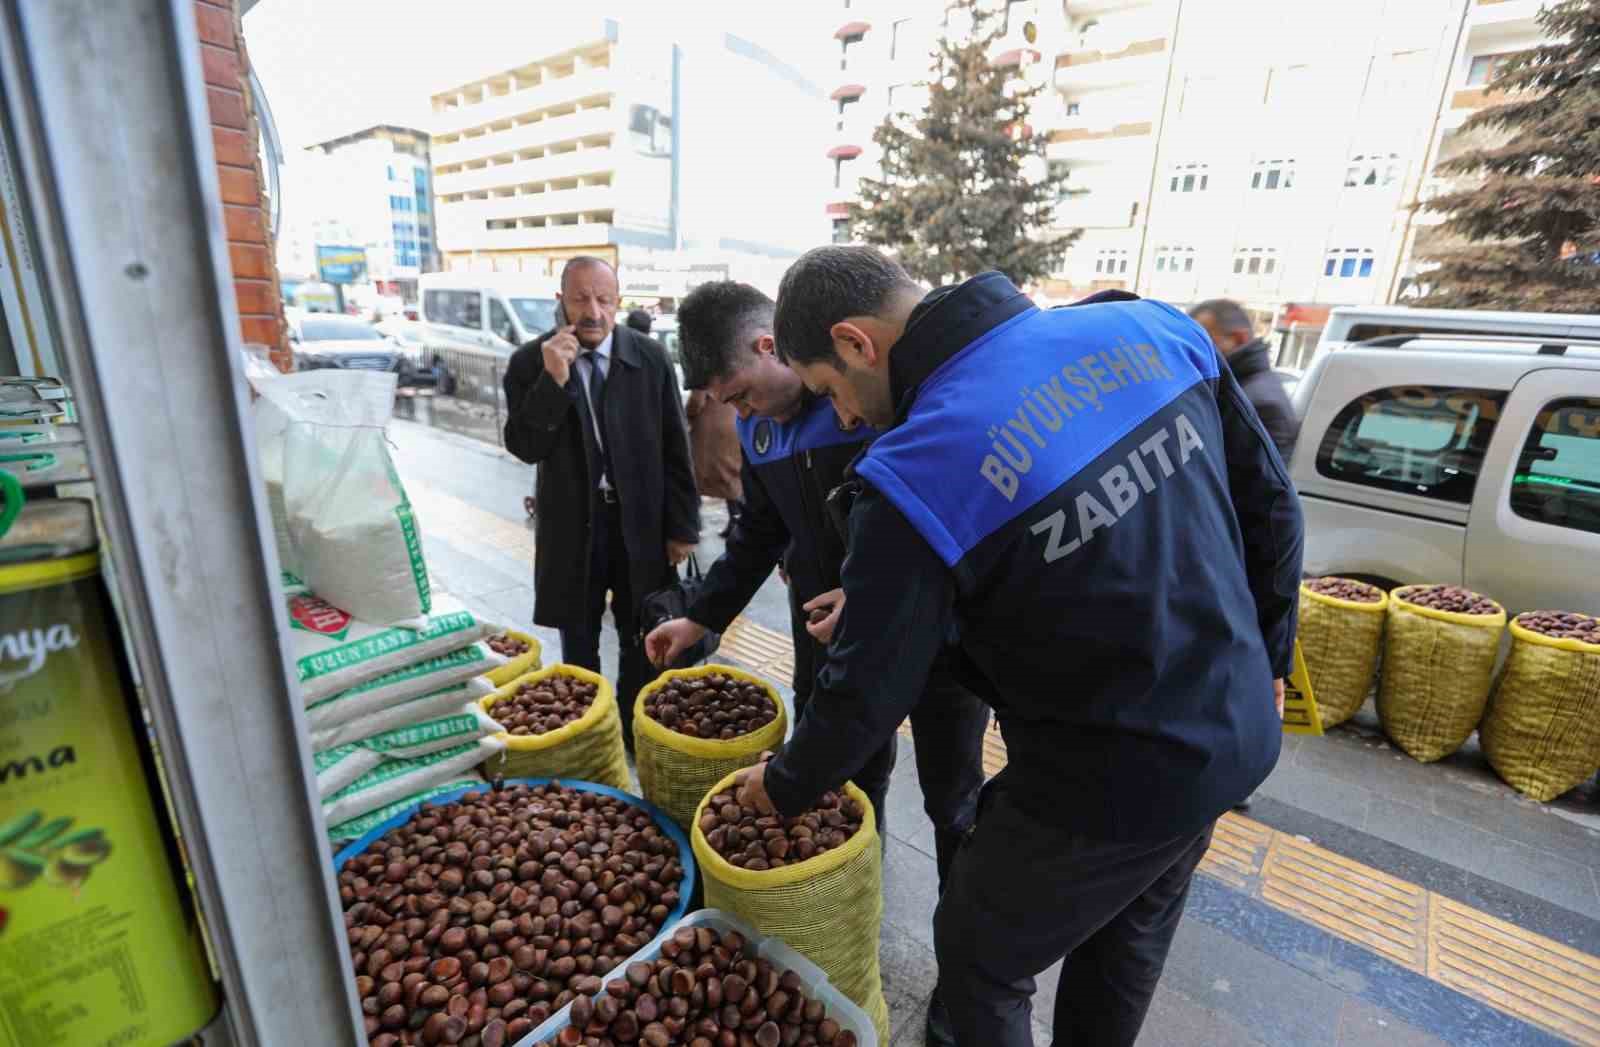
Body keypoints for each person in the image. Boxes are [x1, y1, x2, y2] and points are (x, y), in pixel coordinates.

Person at [733, 247, 1303, 1047]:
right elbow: (1272, 508)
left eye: (833, 391)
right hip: (1234, 729)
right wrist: (1272, 657)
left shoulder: (913, 467)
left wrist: (784, 784)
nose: (849, 420)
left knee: (980, 958)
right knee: (1126, 938)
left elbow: (865, 694)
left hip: (1102, 779)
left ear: (857, 342)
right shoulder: (1148, 327)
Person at [642, 281, 988, 890]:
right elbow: (759, 532)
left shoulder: (873, 396)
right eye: (729, 405)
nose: (741, 415)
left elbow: (957, 513)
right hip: (824, 632)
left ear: (770, 346)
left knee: (952, 797)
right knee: (847, 776)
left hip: (934, 632)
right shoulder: (760, 430)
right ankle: (856, 895)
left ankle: (965, 940)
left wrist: (872, 595)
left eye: (742, 394)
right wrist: (701, 616)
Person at [502, 257, 699, 748]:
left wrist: (682, 527)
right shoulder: (530, 363)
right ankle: (588, 735)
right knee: (578, 636)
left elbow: (677, 444)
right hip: (573, 527)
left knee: (643, 634)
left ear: (618, 302)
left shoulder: (648, 357)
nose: (592, 311)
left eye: (603, 299)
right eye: (580, 298)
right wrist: (554, 381)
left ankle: (636, 732)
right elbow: (525, 445)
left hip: (640, 525)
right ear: (560, 301)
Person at [1188, 298, 1300, 463]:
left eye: (1204, 343)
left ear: (1239, 338)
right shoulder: (1237, 388)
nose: (1196, 353)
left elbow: (1261, 484)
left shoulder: (1260, 404)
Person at [684, 388, 745, 539]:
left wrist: (686, 414)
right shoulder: (730, 366)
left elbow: (696, 402)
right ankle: (736, 521)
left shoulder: (702, 369)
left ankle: (693, 525)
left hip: (710, 429)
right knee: (730, 475)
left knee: (694, 477)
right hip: (732, 422)